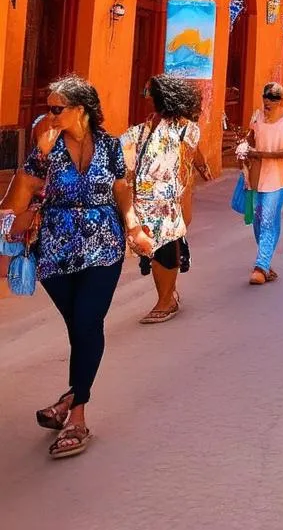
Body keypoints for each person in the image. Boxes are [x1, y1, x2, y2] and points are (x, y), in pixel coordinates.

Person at [2, 76, 155, 459]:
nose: (50, 115)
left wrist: (133, 226)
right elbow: (26, 188)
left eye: (57, 109)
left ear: (81, 109)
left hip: (104, 246)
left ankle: (77, 415)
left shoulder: (110, 145)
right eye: (49, 108)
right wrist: (27, 203)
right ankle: (71, 398)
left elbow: (120, 187)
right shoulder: (46, 147)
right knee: (80, 328)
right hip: (55, 249)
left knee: (87, 322)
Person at [121, 74, 211, 324]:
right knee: (152, 251)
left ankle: (166, 301)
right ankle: (168, 294)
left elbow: (186, 162)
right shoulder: (143, 128)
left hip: (168, 201)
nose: (146, 96)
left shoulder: (184, 127)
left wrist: (183, 199)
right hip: (144, 200)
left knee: (164, 249)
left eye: (150, 91)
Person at [242, 82, 283, 284]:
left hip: (277, 179)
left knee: (269, 220)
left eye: (274, 97)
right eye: (266, 96)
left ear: (281, 100)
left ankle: (260, 266)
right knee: (258, 222)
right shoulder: (257, 116)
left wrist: (269, 155)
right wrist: (243, 150)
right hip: (255, 178)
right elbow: (250, 139)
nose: (269, 101)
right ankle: (266, 264)